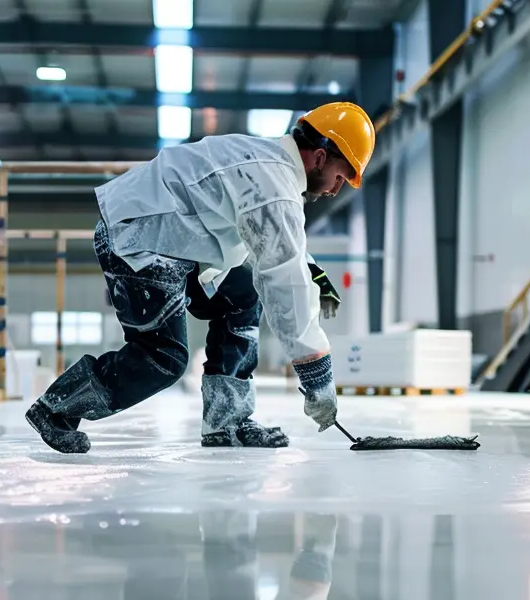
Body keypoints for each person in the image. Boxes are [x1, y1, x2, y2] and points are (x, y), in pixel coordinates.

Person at [24, 102, 375, 453]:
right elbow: (284, 278)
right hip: (141, 238)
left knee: (242, 296)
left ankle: (227, 421)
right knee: (163, 358)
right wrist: (318, 375)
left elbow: (282, 246)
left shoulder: (270, 170)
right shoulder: (273, 183)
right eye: (341, 177)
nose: (334, 190)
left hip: (177, 242)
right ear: (318, 157)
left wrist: (314, 274)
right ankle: (56, 408)